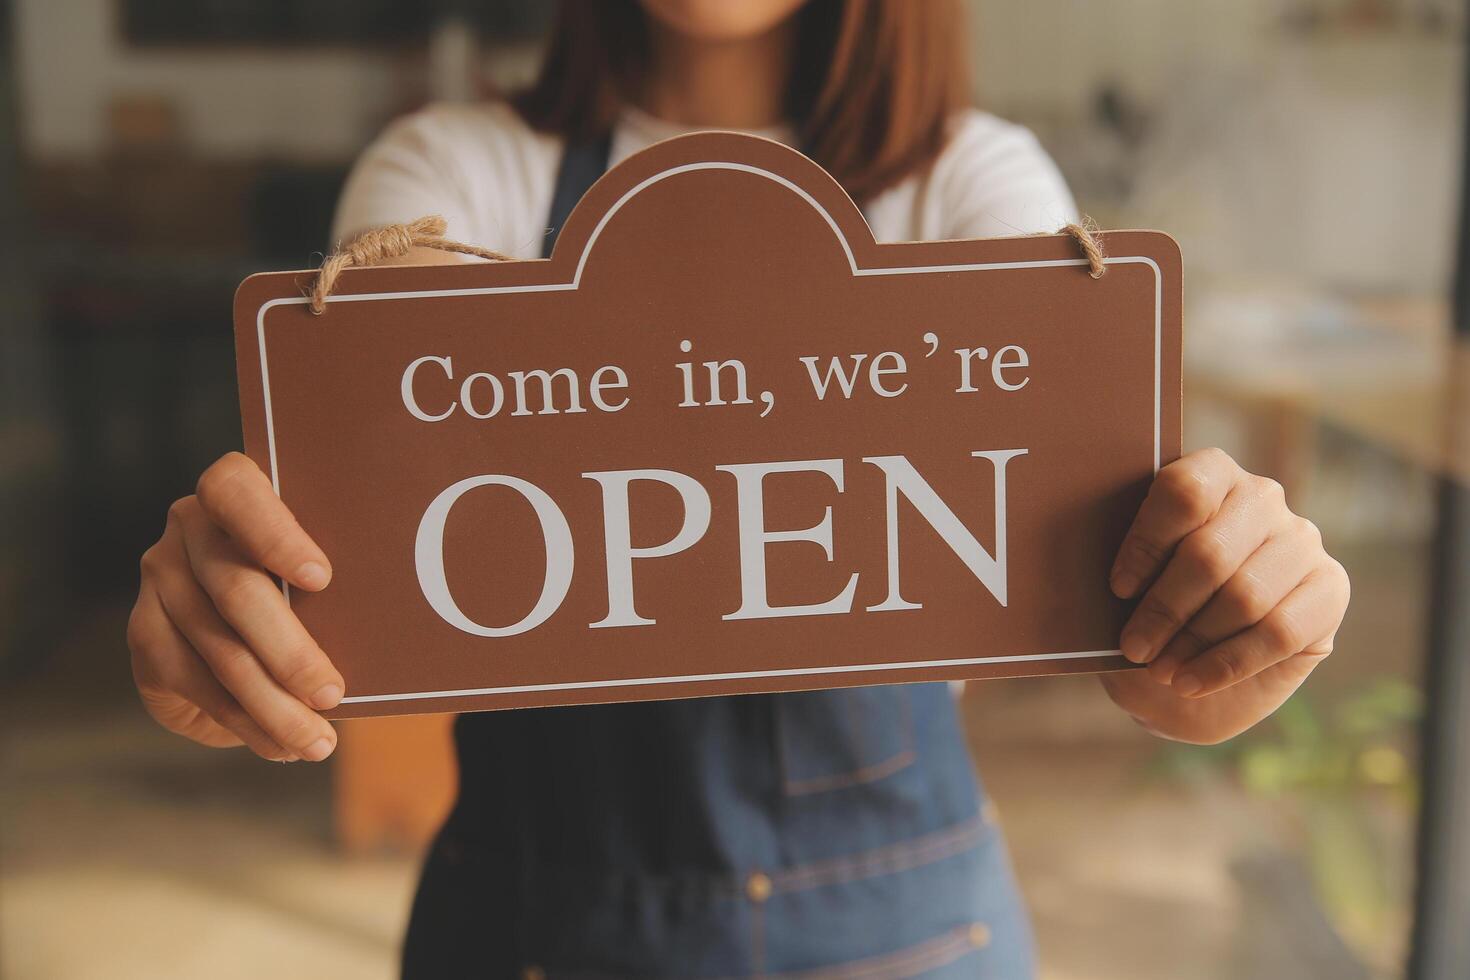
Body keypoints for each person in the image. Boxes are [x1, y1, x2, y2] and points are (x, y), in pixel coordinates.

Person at [125, 1, 1352, 976]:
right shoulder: (454, 167)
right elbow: (358, 526)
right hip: (528, 933)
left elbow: (1111, 607)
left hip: (909, 934)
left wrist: (1206, 648)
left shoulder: (977, 185)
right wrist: (248, 622)